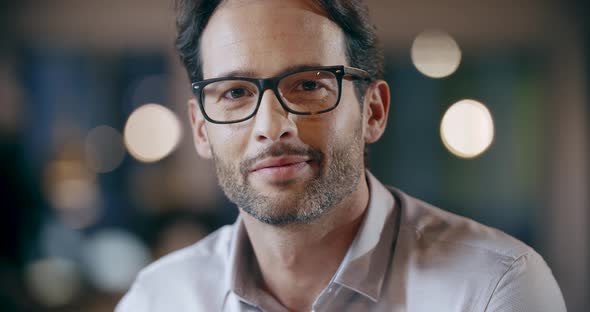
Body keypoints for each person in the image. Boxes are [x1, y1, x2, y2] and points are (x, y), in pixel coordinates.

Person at [117, 0, 566, 311]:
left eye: (309, 85)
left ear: (373, 111)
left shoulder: (492, 290)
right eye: (235, 92)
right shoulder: (157, 299)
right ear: (200, 129)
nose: (272, 126)